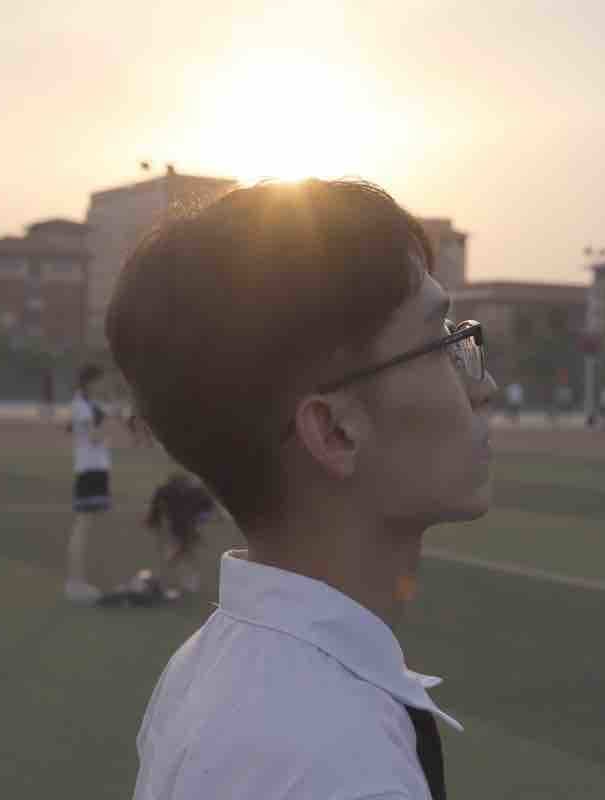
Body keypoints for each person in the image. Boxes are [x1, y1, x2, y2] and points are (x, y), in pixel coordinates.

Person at [107, 179, 497, 800]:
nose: (484, 386)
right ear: (335, 432)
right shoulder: (341, 767)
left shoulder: (211, 666)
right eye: (442, 343)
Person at [65, 363, 111, 604]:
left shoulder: (89, 405)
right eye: (101, 381)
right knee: (82, 525)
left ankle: (79, 580)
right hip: (89, 471)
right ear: (90, 382)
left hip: (95, 469)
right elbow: (94, 437)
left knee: (87, 525)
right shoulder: (81, 405)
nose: (104, 385)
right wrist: (107, 423)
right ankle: (75, 582)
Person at [144, 470, 219, 594]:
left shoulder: (166, 489)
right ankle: (176, 579)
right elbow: (209, 507)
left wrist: (153, 520)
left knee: (180, 552)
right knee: (183, 552)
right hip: (185, 525)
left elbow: (155, 507)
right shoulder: (195, 490)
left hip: (183, 525)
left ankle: (166, 578)